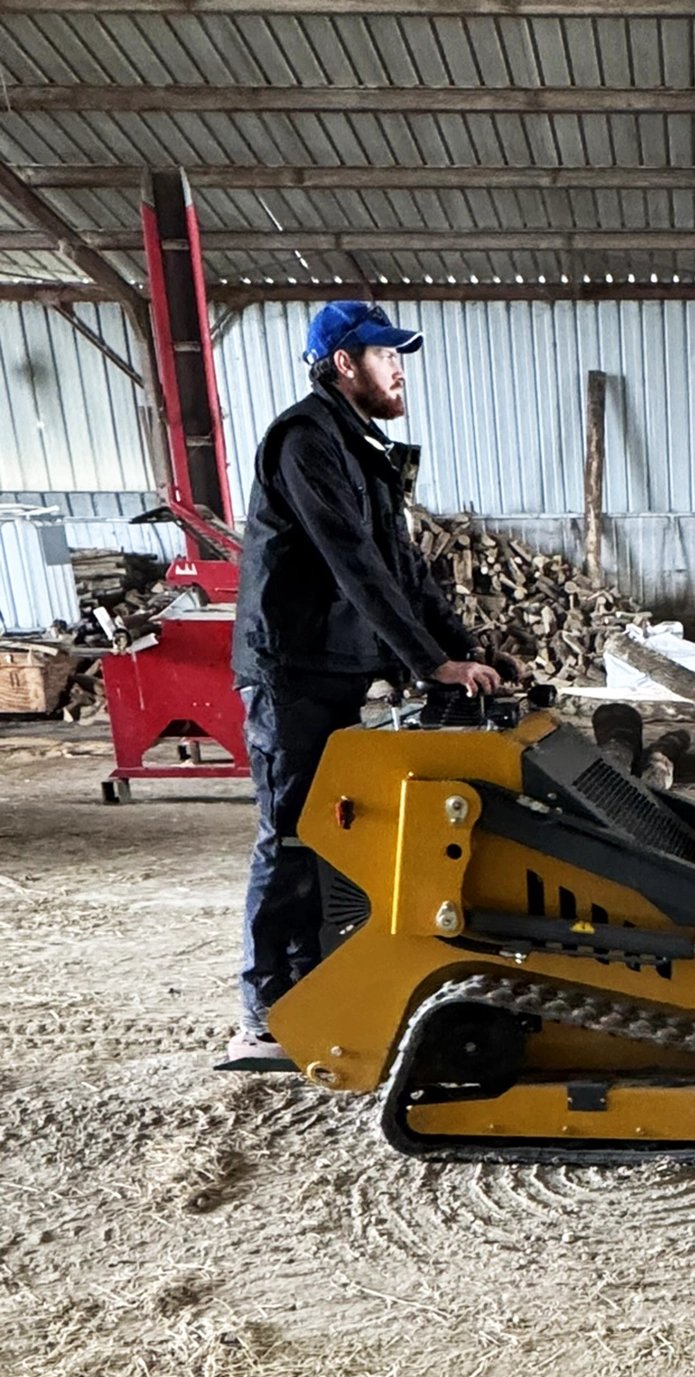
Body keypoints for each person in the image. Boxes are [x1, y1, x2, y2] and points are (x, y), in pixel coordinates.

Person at [222, 301, 513, 1070]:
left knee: (333, 834)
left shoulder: (364, 450)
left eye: (400, 355)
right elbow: (353, 562)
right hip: (291, 672)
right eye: (386, 354)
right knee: (289, 836)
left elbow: (403, 570)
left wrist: (468, 651)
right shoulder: (307, 441)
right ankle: (264, 1012)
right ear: (344, 363)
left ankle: (321, 981)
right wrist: (430, 665)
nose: (400, 366)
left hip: (335, 669)